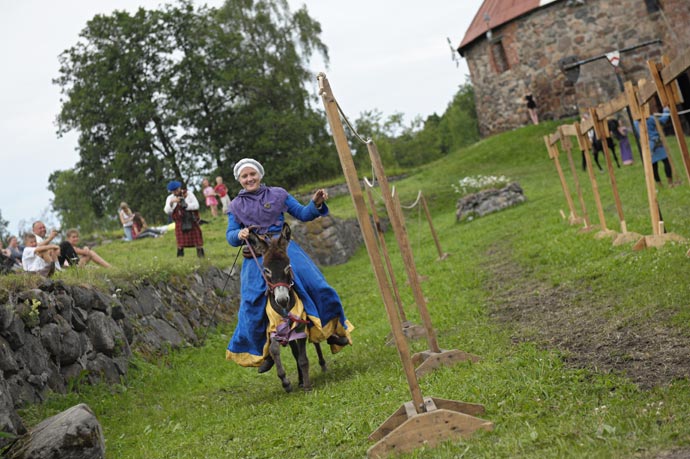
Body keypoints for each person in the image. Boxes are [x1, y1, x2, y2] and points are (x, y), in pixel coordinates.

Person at [224, 158, 353, 372]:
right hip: (256, 253)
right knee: (251, 302)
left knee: (315, 285)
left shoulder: (278, 194)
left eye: (252, 174)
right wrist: (239, 233)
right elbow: (230, 236)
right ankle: (264, 351)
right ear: (239, 180)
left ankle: (331, 333)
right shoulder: (236, 206)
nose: (249, 179)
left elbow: (303, 214)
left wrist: (316, 204)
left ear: (260, 175)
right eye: (244, 176)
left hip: (283, 248)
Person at [635, 106, 677, 187]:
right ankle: (670, 182)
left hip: (647, 144)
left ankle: (660, 184)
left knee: (654, 166)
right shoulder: (650, 119)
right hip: (656, 142)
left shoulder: (635, 122)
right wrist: (666, 111)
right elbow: (663, 120)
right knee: (665, 161)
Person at [164, 180, 205, 257]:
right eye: (173, 191)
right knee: (180, 243)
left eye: (176, 190)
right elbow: (167, 211)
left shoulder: (188, 194)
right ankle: (180, 260)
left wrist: (186, 205)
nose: (175, 192)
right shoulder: (170, 198)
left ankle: (202, 258)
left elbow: (196, 205)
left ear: (179, 188)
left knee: (198, 242)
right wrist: (172, 203)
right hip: (179, 222)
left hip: (191, 220)